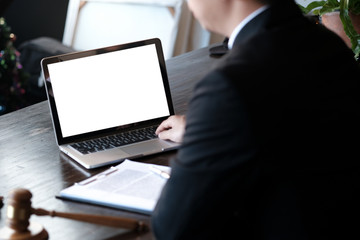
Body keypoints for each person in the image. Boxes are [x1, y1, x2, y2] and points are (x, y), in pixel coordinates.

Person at [152, 0, 360, 239]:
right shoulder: (327, 42)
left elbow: (174, 228)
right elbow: (289, 130)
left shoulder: (230, 83)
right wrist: (207, 128)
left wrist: (211, 122)